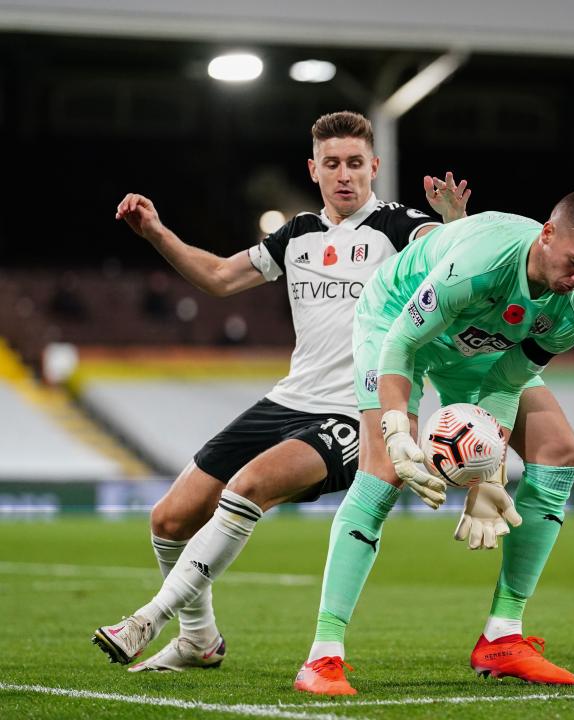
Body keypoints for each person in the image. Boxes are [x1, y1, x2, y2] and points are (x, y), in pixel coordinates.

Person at [92, 110, 470, 671]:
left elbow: (450, 253)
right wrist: (155, 232)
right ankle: (199, 640)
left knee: (249, 487)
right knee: (169, 520)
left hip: (356, 411)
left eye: (355, 163)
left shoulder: (399, 226)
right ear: (313, 170)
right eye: (332, 164)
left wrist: (456, 224)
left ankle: (147, 619)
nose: (345, 175)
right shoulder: (297, 233)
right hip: (289, 399)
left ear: (374, 166)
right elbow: (220, 277)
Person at [289, 190, 574, 696]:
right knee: (384, 472)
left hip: (479, 345)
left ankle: (502, 636)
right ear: (547, 234)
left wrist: (489, 475)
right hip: (396, 320)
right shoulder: (478, 265)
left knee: (560, 452)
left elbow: (507, 381)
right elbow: (403, 342)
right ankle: (323, 655)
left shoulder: (573, 311)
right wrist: (396, 430)